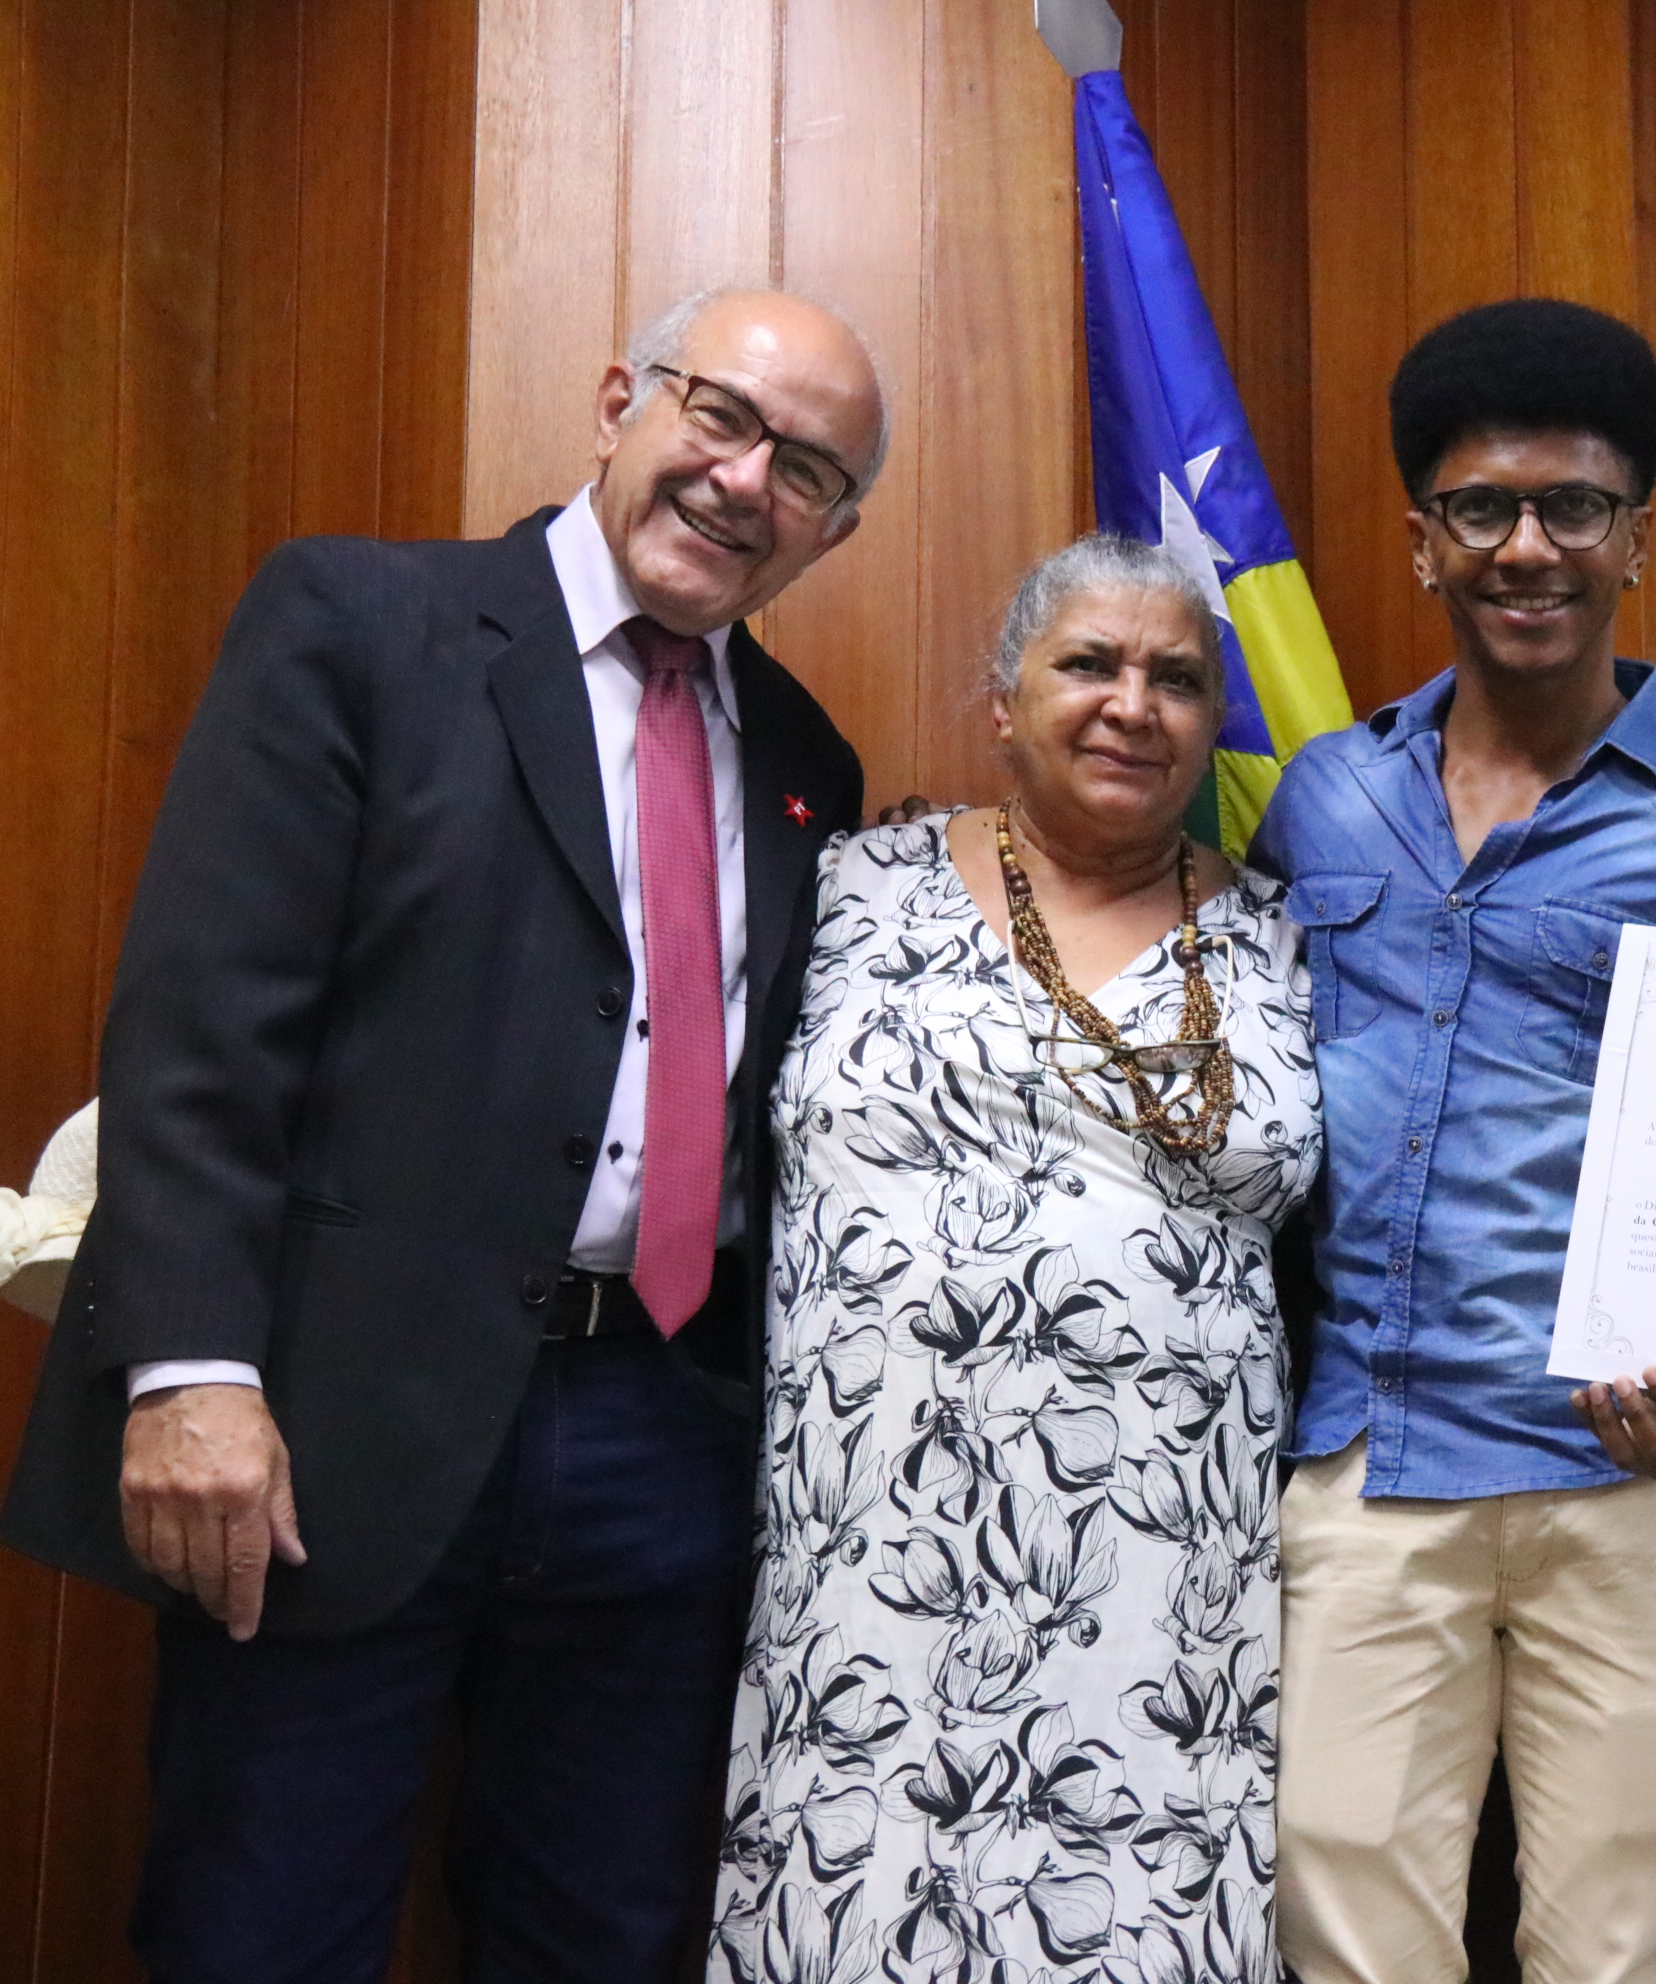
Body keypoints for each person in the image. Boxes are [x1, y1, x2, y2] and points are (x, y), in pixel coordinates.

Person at [1, 287, 882, 1980]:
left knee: (602, 1939)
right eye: (720, 416)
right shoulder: (362, 620)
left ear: (832, 534)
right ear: (620, 402)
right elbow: (203, 1023)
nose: (745, 480)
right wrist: (190, 1369)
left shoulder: (802, 759)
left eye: (808, 470)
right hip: (330, 1417)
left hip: (659, 1436)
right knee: (260, 1930)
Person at [1248, 297, 1656, 1984]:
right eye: (1482, 507)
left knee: (1622, 1954)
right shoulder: (1322, 799)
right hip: (1365, 1471)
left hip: (1626, 1477)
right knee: (1347, 1948)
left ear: (1636, 536)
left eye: (1574, 506)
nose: (1528, 547)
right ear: (1420, 537)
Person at [709, 534, 1321, 1983]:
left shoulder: (1287, 937)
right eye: (1088, 664)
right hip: (870, 1552)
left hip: (1167, 1580)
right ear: (1003, 701)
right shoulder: (843, 887)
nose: (1133, 704)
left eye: (1177, 678)